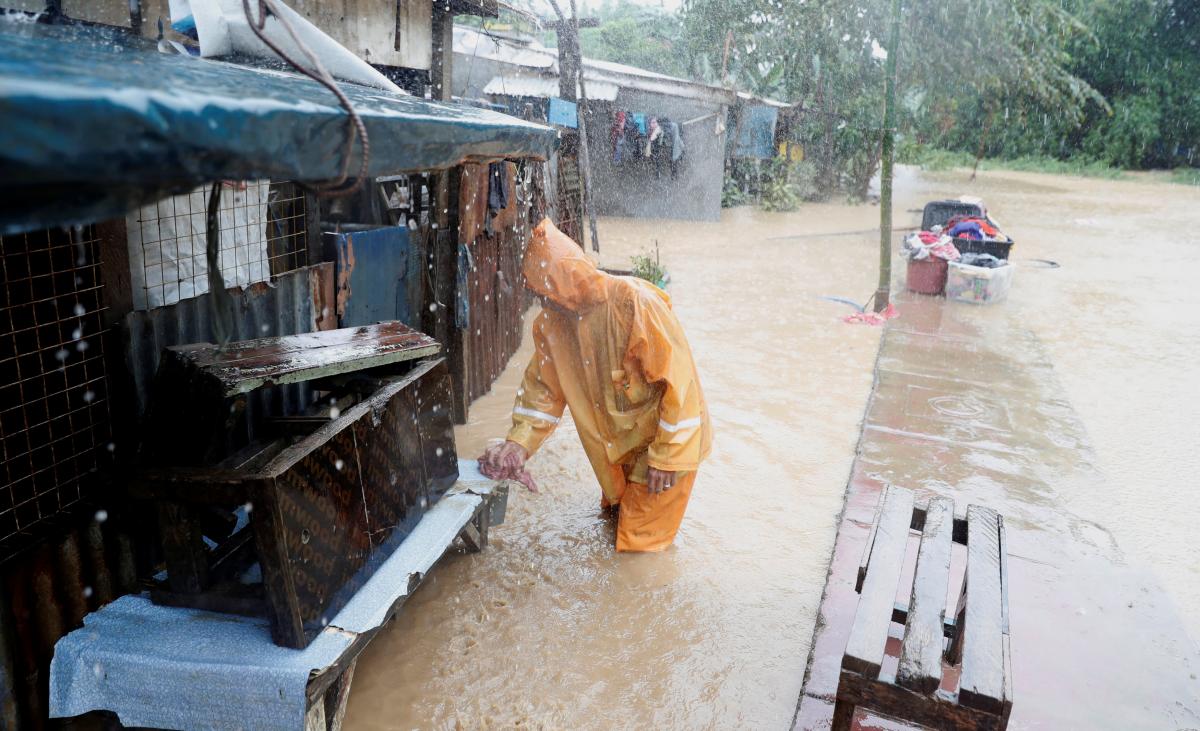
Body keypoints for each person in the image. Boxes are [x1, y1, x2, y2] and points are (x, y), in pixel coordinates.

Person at [480, 218, 711, 552]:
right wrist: (518, 443)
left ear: (566, 281)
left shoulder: (634, 304)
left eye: (547, 293)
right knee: (613, 524)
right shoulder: (552, 325)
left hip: (664, 449)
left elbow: (681, 384)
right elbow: (542, 392)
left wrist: (668, 458)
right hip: (616, 455)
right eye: (538, 295)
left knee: (638, 552)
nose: (544, 303)